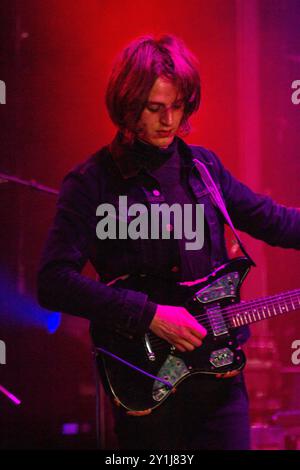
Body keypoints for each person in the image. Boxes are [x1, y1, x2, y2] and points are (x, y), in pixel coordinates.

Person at [37, 35, 300, 450]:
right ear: (127, 106)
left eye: (178, 106)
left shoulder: (204, 168)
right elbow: (53, 280)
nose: (169, 121)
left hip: (221, 383)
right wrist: (150, 315)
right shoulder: (92, 182)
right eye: (155, 108)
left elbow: (275, 221)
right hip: (147, 380)